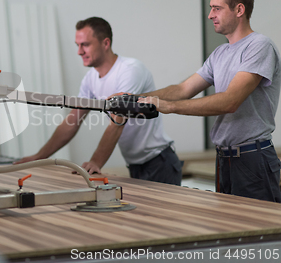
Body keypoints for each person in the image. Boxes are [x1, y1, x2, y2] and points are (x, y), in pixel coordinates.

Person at [138, 0, 281, 202]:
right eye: (210, 8)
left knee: (261, 233)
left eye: (216, 8)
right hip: (225, 159)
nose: (210, 15)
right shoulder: (220, 54)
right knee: (229, 232)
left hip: (253, 159)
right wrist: (137, 99)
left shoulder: (259, 46)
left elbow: (230, 101)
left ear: (239, 9)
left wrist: (168, 106)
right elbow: (184, 88)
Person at [14, 17, 182, 185]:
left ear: (105, 43)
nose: (79, 51)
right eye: (77, 45)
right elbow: (73, 120)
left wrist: (96, 161)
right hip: (135, 165)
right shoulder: (90, 79)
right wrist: (39, 157)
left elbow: (118, 121)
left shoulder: (130, 70)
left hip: (160, 163)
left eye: (85, 45)